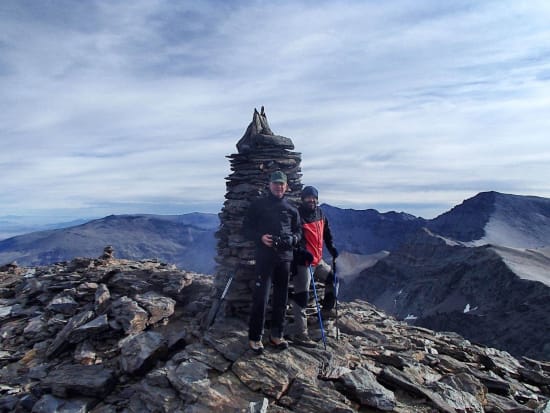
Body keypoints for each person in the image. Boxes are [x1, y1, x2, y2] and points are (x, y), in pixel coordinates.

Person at [243, 170, 302, 354]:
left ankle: (277, 335)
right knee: (261, 298)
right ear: (270, 185)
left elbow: (299, 233)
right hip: (264, 258)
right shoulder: (258, 205)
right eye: (276, 183)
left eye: (282, 184)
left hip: (285, 259)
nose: (279, 187)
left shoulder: (292, 209)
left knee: (281, 299)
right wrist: (260, 237)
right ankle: (255, 338)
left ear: (286, 186)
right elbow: (245, 229)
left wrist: (291, 240)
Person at [289, 185, 338, 347]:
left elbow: (326, 233)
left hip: (317, 260)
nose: (312, 200)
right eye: (308, 197)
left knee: (333, 278)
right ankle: (301, 333)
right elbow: (294, 238)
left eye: (314, 197)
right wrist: (301, 253)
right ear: (303, 199)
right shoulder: (297, 215)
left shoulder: (320, 213)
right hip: (303, 263)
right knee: (301, 296)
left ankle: (326, 310)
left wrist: (331, 248)